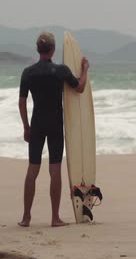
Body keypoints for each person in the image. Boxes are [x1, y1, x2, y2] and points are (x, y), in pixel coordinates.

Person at [18, 32, 89, 227]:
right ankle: (55, 218)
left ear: (38, 49)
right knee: (54, 169)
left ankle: (26, 217)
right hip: (55, 123)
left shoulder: (28, 73)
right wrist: (84, 69)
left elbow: (22, 103)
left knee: (32, 169)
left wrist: (26, 126)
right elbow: (80, 88)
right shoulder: (61, 71)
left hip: (37, 123)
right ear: (53, 49)